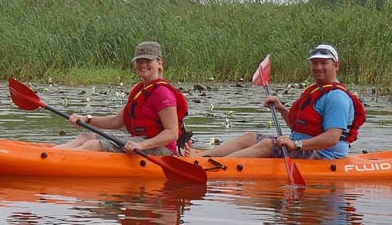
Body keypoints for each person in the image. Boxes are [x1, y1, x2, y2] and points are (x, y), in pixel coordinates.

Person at [198, 43, 365, 159]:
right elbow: (297, 127)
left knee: (268, 145)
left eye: (324, 63)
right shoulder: (316, 91)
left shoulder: (336, 97)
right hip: (305, 146)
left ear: (336, 65)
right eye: (315, 63)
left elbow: (332, 138)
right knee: (250, 137)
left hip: (326, 155)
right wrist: (280, 108)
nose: (318, 67)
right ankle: (202, 158)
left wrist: (296, 144)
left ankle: (217, 166)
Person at [56, 41, 189, 154]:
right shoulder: (140, 91)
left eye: (148, 61)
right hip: (140, 141)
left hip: (160, 149)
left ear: (159, 63)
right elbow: (116, 122)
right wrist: (86, 119)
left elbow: (172, 133)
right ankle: (50, 155)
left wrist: (142, 145)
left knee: (93, 145)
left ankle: (56, 162)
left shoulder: (162, 93)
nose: (143, 65)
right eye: (139, 61)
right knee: (86, 136)